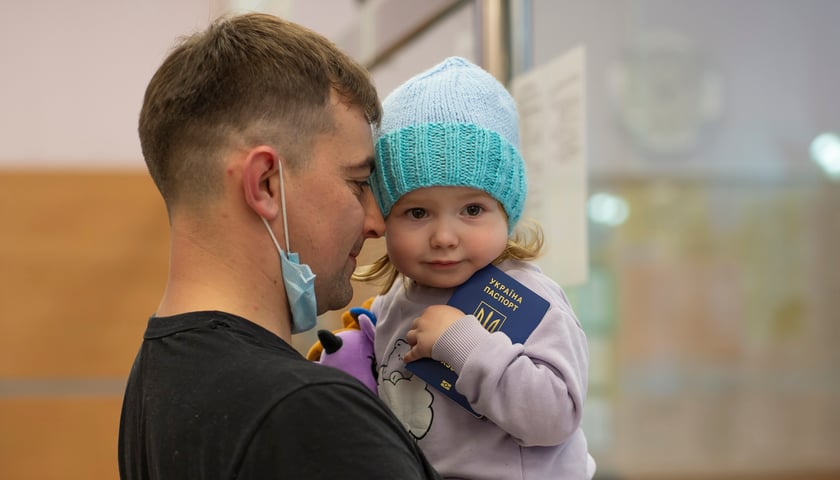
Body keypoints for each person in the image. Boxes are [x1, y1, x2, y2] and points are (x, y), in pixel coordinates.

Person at [118, 12, 440, 480]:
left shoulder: (156, 375)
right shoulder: (307, 412)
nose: (375, 222)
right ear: (265, 184)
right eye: (357, 183)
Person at [353, 57, 595, 479]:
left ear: (507, 210)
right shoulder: (393, 304)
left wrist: (463, 344)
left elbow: (556, 416)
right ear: (384, 218)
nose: (444, 236)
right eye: (416, 212)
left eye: (472, 209)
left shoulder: (531, 298)